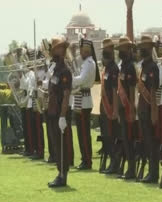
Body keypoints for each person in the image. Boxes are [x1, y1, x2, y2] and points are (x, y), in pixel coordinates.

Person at [47, 36, 72, 188]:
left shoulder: (64, 70)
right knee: (56, 144)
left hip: (59, 113)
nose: (57, 51)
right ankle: (59, 172)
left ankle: (63, 175)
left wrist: (62, 116)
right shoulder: (55, 69)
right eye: (56, 48)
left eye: (59, 48)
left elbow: (66, 94)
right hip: (52, 111)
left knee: (62, 145)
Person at [72, 39, 99, 170]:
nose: (80, 52)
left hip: (84, 100)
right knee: (81, 133)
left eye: (81, 50)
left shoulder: (88, 63)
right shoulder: (86, 63)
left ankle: (87, 160)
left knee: (83, 133)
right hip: (81, 99)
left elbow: (81, 79)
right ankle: (85, 159)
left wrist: (70, 78)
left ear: (86, 50)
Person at [137, 35, 160, 184]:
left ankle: (153, 173)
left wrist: (153, 112)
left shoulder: (153, 67)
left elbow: (152, 91)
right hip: (142, 108)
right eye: (141, 47)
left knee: (152, 143)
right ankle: (150, 172)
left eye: (145, 47)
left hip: (149, 108)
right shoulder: (143, 66)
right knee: (146, 141)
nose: (142, 50)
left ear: (151, 48)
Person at [115, 37, 137, 179]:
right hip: (122, 107)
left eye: (122, 49)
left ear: (128, 50)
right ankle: (129, 168)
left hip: (128, 107)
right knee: (125, 138)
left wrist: (131, 109)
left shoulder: (130, 67)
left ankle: (132, 170)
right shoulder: (122, 66)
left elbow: (131, 89)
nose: (120, 52)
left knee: (130, 138)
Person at [98, 39, 120, 174]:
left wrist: (115, 110)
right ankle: (112, 162)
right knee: (106, 136)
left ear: (112, 51)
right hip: (104, 107)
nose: (105, 53)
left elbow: (114, 90)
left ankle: (115, 163)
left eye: (107, 51)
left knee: (112, 136)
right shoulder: (106, 68)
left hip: (111, 107)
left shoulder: (114, 68)